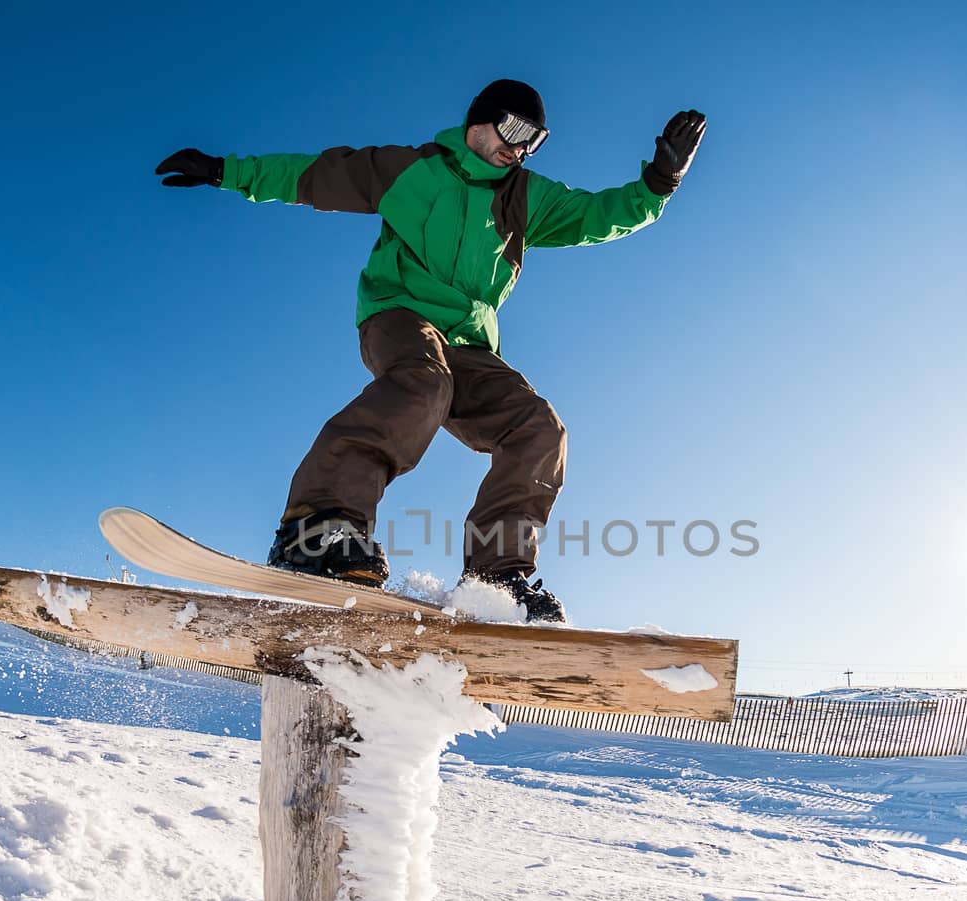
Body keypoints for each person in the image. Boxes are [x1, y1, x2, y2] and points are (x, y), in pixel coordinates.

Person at [156, 79, 705, 622]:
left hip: (468, 343)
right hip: (398, 315)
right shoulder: (410, 170)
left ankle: (496, 577)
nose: (520, 148)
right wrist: (226, 171)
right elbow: (313, 175)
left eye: (535, 140)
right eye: (514, 131)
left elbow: (598, 215)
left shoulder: (525, 197)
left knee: (538, 428)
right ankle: (318, 524)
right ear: (479, 122)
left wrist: (660, 181)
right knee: (423, 384)